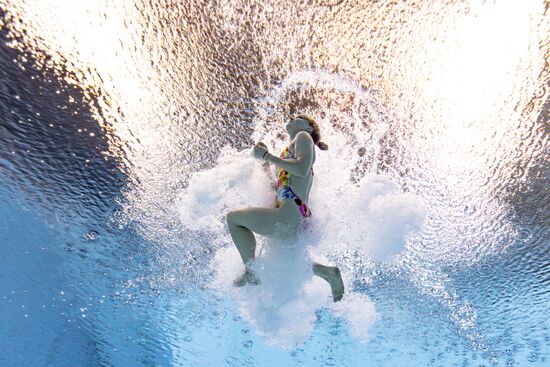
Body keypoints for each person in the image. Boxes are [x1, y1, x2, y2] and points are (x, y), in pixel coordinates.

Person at [226, 115, 345, 302]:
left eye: (299, 117)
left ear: (310, 128)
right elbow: (278, 187)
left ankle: (250, 271)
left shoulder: (303, 136)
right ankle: (327, 272)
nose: (292, 117)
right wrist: (265, 164)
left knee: (234, 219)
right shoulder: (289, 152)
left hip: (288, 216)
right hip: (292, 218)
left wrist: (268, 156)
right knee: (282, 264)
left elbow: (302, 168)